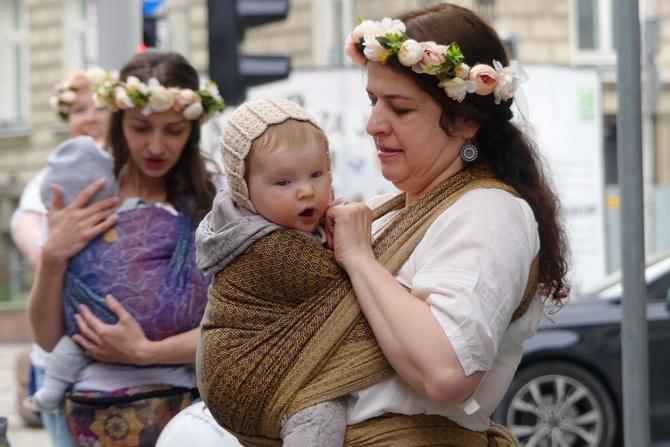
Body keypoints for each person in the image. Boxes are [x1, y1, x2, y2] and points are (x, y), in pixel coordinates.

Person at [199, 3, 570, 446]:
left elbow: (448, 372)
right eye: (374, 101)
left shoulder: (490, 212)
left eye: (400, 109)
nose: (374, 124)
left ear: (466, 120)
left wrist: (358, 258)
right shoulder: (387, 209)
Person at [27, 49, 226, 447]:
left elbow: (233, 329)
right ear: (119, 123)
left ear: (193, 129)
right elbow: (50, 340)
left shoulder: (216, 201)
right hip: (87, 413)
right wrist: (52, 257)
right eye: (140, 128)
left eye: (173, 131)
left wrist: (145, 352)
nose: (156, 146)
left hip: (190, 415)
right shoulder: (85, 191)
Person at [195, 97, 348, 447]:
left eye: (317, 174)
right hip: (246, 375)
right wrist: (356, 246)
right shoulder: (272, 247)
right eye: (283, 182)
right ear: (244, 190)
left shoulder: (269, 225)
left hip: (228, 380)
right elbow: (348, 292)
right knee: (322, 412)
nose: (306, 190)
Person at [10, 66, 117, 447]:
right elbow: (37, 247)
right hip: (61, 355)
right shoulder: (48, 181)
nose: (88, 117)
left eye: (98, 107)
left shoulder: (140, 174)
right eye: (78, 110)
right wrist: (57, 248)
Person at [22, 135, 116, 413]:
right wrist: (52, 252)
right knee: (69, 349)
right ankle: (50, 392)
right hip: (77, 332)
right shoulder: (59, 227)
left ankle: (50, 392)